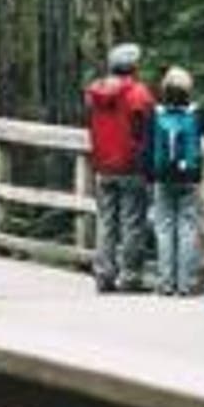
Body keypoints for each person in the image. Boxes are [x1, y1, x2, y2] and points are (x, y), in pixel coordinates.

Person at [145, 67, 204, 297]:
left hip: (162, 178)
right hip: (189, 179)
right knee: (188, 229)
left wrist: (149, 176)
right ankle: (186, 284)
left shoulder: (156, 113)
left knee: (164, 229)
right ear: (188, 89)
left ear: (164, 88)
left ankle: (165, 283)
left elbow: (147, 146)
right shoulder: (197, 113)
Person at [82, 42, 155, 293]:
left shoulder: (94, 93)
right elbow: (148, 128)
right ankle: (130, 277)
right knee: (132, 223)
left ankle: (104, 275)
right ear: (133, 66)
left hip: (103, 166)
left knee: (106, 222)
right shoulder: (139, 94)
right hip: (131, 167)